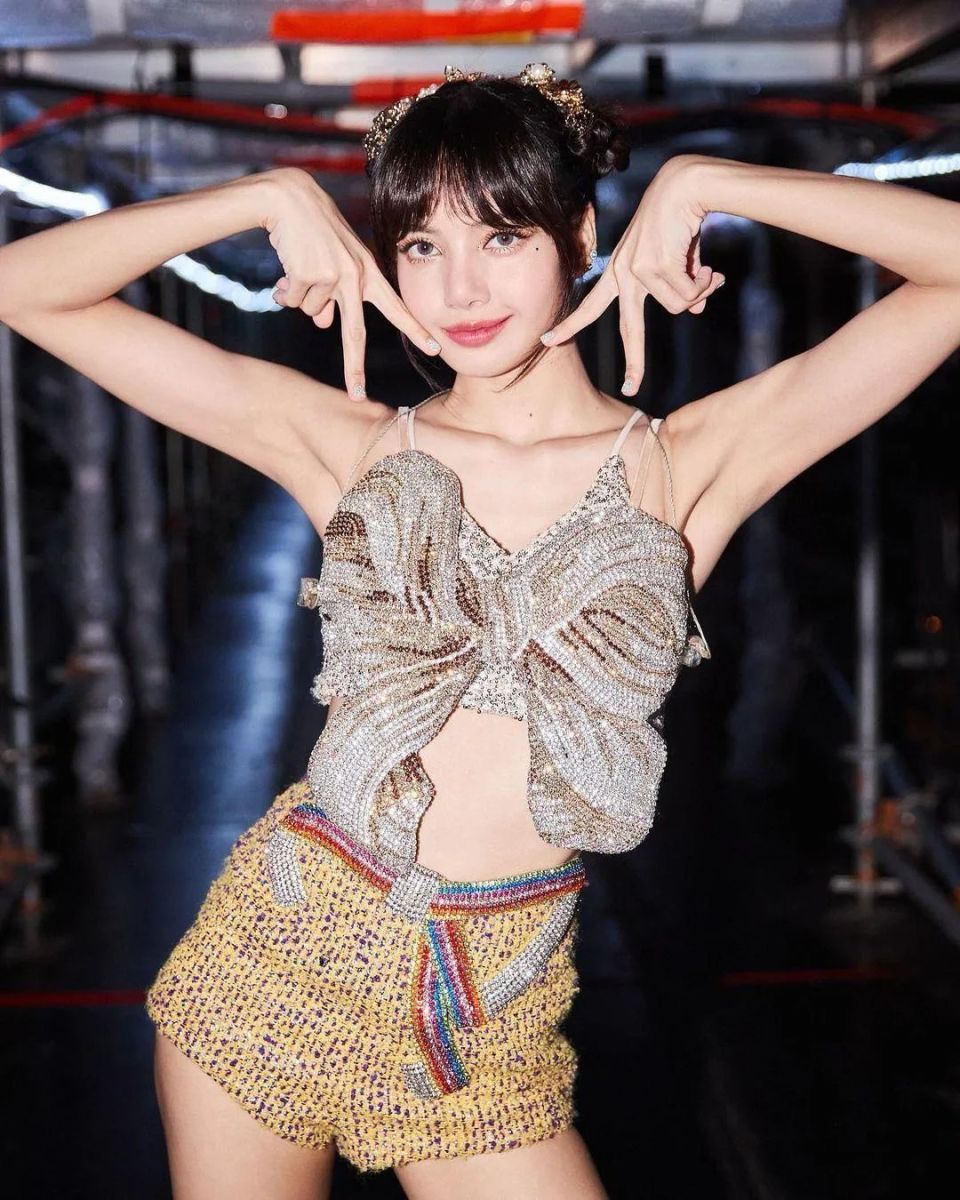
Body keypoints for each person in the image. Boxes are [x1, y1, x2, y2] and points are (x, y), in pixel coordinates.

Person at [2, 59, 959, 1200]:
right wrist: (264, 197)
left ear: (580, 236)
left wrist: (709, 181)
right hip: (278, 961)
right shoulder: (350, 446)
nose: (460, 286)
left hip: (490, 1015)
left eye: (502, 235)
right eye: (422, 245)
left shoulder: (687, 465)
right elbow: (25, 288)